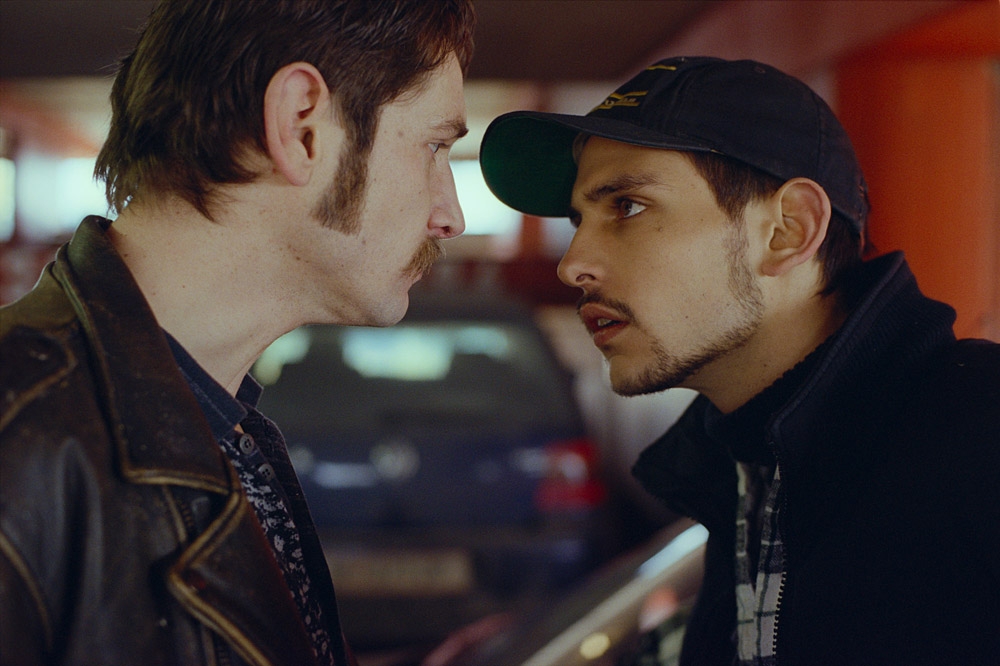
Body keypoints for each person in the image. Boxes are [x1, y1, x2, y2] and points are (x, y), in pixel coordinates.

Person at [479, 56, 1000, 665]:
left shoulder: (978, 433)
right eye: (578, 221)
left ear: (788, 230)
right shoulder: (739, 470)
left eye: (627, 206)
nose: (573, 265)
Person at [0, 1, 474, 664]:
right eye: (434, 147)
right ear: (299, 126)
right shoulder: (20, 437)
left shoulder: (218, 421)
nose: (450, 216)